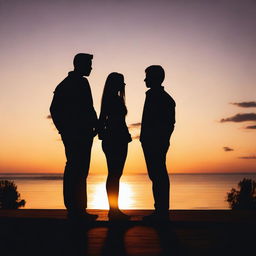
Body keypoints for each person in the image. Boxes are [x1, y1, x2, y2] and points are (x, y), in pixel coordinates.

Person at [50, 53, 98, 220]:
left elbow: (89, 108)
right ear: (80, 64)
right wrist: (63, 129)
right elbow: (54, 109)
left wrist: (96, 125)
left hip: (85, 133)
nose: (91, 67)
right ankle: (74, 209)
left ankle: (79, 209)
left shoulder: (81, 82)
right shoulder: (67, 84)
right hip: (75, 134)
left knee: (80, 170)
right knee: (75, 169)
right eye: (89, 64)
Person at [140, 65, 176, 221]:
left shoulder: (163, 98)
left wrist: (160, 140)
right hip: (150, 142)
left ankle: (161, 211)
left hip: (156, 143)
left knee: (158, 174)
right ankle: (160, 210)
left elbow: (169, 124)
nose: (145, 79)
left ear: (155, 78)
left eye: (147, 76)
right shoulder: (153, 96)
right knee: (156, 175)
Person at [99, 72, 132, 220]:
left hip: (117, 138)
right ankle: (113, 210)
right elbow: (104, 120)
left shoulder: (112, 99)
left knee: (115, 174)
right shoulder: (113, 100)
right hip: (115, 139)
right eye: (121, 82)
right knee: (114, 174)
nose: (124, 85)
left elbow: (103, 121)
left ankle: (114, 209)